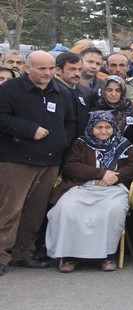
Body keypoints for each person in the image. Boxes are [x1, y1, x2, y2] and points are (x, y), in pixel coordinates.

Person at [0, 51, 75, 276]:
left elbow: (70, 122)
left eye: (51, 68)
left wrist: (61, 141)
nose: (48, 73)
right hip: (16, 160)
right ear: (26, 68)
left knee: (35, 210)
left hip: (50, 161)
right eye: (42, 68)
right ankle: (2, 254)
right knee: (10, 210)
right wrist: (29, 130)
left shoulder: (61, 92)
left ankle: (23, 253)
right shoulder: (9, 89)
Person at [46, 111, 133, 272]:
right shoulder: (80, 143)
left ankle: (108, 255)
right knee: (67, 208)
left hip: (112, 189)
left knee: (113, 209)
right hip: (82, 186)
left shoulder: (123, 144)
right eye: (99, 127)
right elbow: (71, 166)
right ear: (91, 128)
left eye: (107, 127)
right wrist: (101, 173)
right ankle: (70, 256)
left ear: (114, 128)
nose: (103, 131)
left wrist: (113, 177)